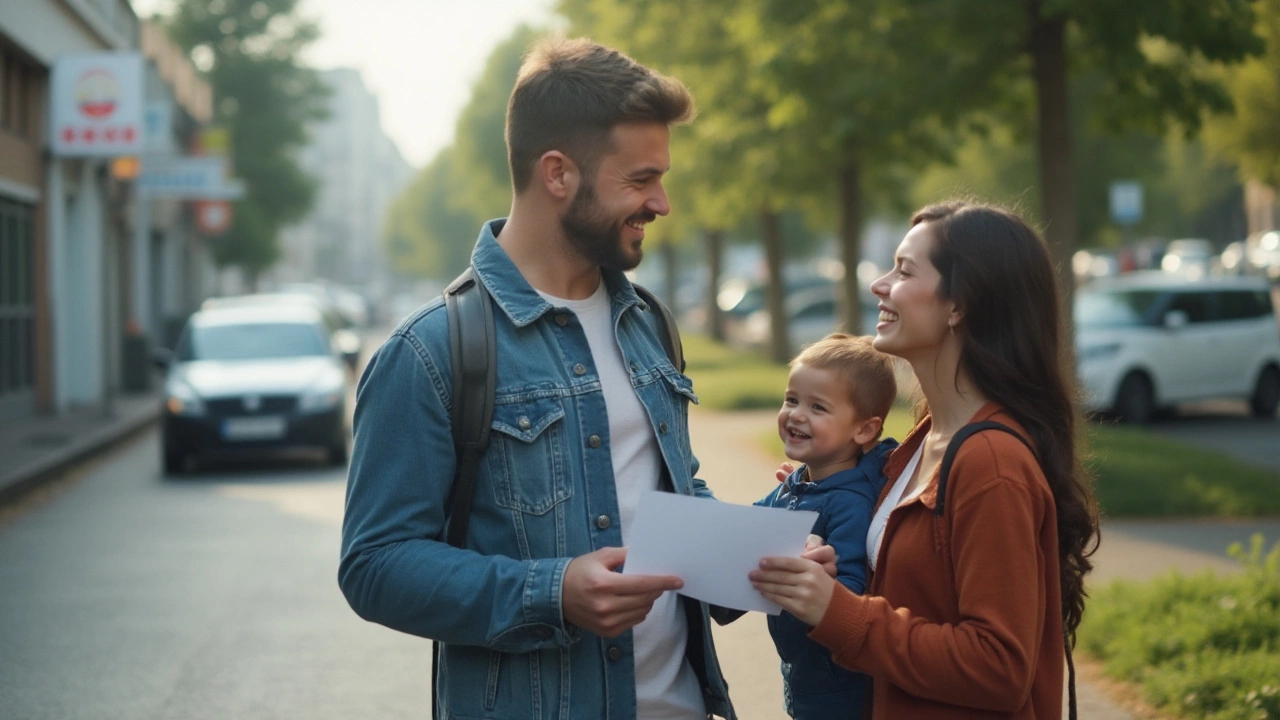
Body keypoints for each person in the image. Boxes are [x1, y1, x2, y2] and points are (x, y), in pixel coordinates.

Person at [339, 36, 830, 720]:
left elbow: (672, 495)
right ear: (558, 174)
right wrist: (553, 591)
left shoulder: (649, 323)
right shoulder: (429, 351)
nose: (662, 203)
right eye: (640, 180)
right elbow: (375, 566)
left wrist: (755, 561)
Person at [750, 201, 1100, 719]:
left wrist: (838, 611)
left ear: (959, 305)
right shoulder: (919, 443)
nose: (880, 284)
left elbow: (1000, 668)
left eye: (904, 270)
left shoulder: (991, 463)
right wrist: (815, 505)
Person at [754, 333, 898, 719]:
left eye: (818, 407)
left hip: (838, 686)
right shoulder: (796, 484)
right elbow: (749, 528)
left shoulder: (850, 504)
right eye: (791, 400)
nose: (796, 414)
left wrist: (815, 578)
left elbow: (850, 594)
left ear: (864, 430)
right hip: (804, 673)